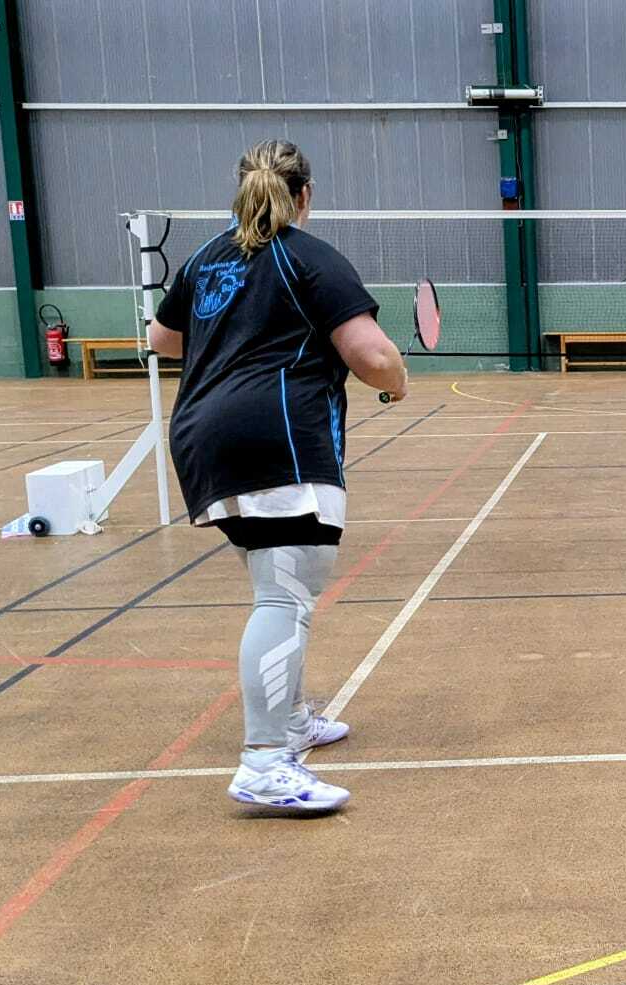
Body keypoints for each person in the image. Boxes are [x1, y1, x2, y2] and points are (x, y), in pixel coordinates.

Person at [148, 139, 408, 810]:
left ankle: (290, 721)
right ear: (305, 196)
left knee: (275, 584)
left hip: (201, 438)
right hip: (279, 440)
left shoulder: (206, 258)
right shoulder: (309, 257)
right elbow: (373, 357)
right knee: (283, 600)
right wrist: (397, 380)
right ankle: (264, 761)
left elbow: (162, 339)